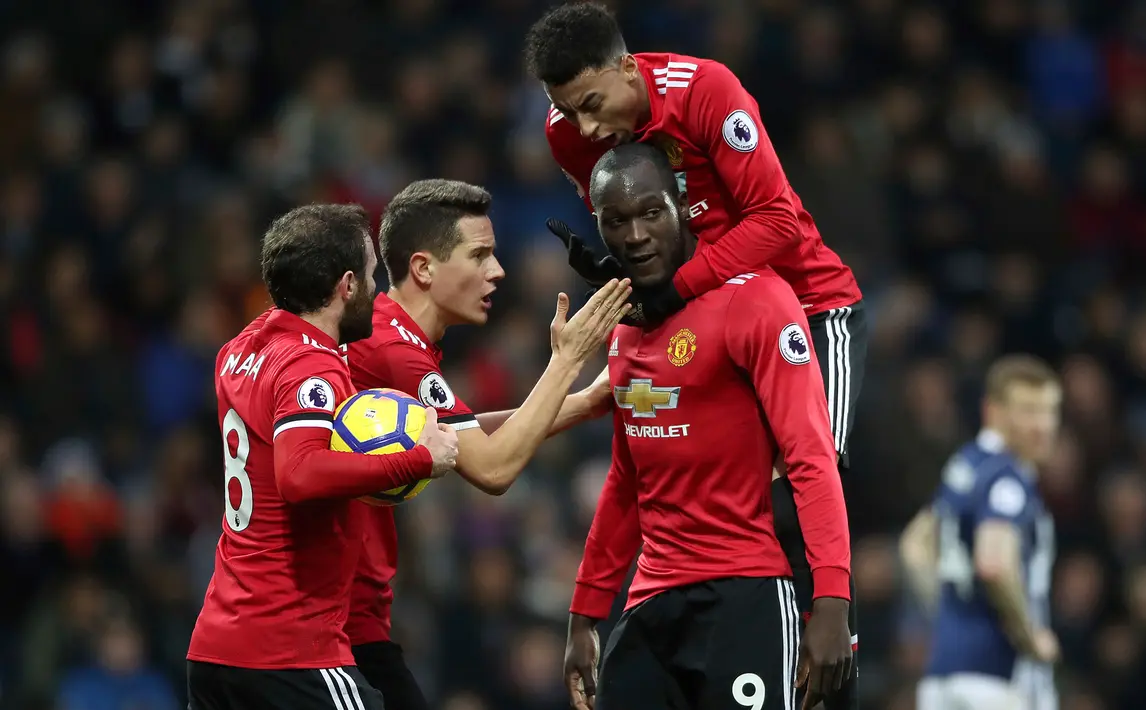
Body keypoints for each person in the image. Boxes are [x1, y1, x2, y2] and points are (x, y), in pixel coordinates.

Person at [524, 6, 867, 704]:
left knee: (806, 468)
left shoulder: (706, 92)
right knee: (661, 455)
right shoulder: (567, 134)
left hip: (803, 302)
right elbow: (623, 209)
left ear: (627, 68)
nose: (585, 129)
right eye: (567, 111)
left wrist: (674, 288)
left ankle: (830, 647)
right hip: (697, 313)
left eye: (592, 104)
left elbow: (773, 218)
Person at [561, 143, 852, 710]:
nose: (636, 236)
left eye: (651, 213)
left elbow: (810, 457)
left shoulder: (757, 301)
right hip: (651, 602)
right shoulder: (625, 330)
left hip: (744, 598)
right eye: (615, 221)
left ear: (682, 203)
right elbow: (628, 478)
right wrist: (584, 614)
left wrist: (833, 601)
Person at [341, 179, 630, 710]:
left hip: (354, 620)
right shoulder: (392, 350)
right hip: (338, 626)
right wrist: (565, 363)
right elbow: (493, 470)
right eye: (480, 255)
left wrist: (587, 401)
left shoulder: (390, 336)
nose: (497, 271)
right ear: (424, 269)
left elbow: (465, 434)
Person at [186, 204, 460, 710]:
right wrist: (418, 459)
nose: (379, 292)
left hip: (216, 648)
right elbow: (300, 473)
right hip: (290, 649)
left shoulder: (240, 349)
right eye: (374, 276)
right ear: (347, 285)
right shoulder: (312, 365)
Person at [899, 355, 1062, 710]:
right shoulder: (1008, 477)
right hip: (995, 677)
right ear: (994, 411)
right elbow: (993, 563)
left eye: (1049, 410)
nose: (1044, 425)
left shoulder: (965, 465)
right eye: (1028, 410)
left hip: (943, 673)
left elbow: (914, 545)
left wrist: (949, 617)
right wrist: (1030, 636)